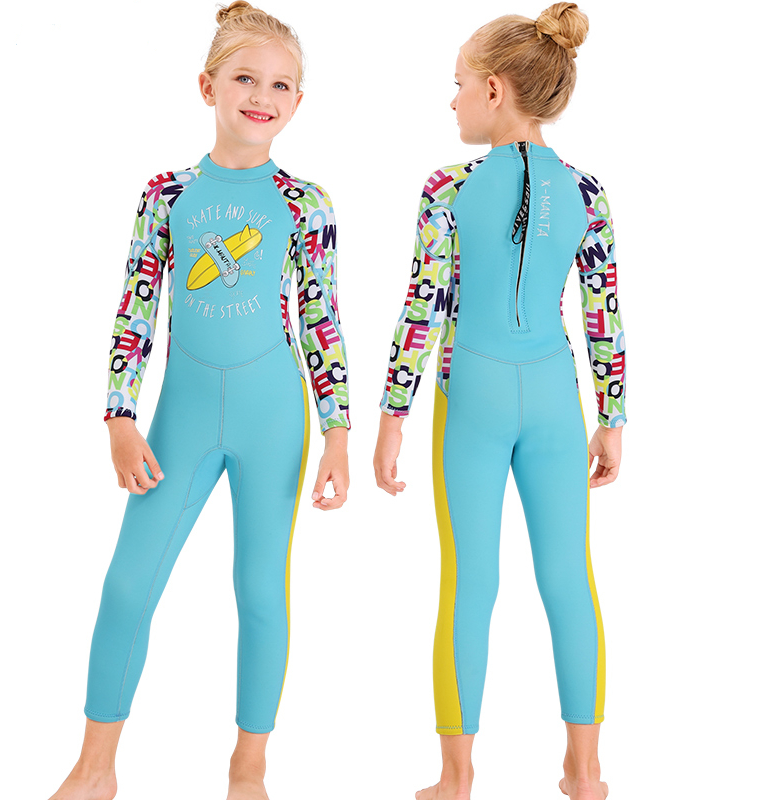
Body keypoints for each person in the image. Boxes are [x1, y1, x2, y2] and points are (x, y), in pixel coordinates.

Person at [48, 3, 350, 798]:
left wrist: (338, 433)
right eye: (245, 77)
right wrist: (119, 416)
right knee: (128, 584)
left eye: (280, 84)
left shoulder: (305, 202)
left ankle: (249, 765)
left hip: (273, 417)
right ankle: (95, 766)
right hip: (179, 417)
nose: (261, 96)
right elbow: (136, 309)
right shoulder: (166, 194)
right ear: (208, 86)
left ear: (298, 101)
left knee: (260, 591)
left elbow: (320, 318)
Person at [373, 4, 625, 799]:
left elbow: (423, 308)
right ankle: (585, 771)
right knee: (570, 579)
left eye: (456, 85)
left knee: (468, 583)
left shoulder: (449, 188)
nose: (451, 100)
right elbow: (602, 313)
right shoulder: (586, 190)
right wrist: (613, 418)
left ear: (492, 89)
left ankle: (456, 778)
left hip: (471, 401)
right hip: (556, 398)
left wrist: (391, 418)